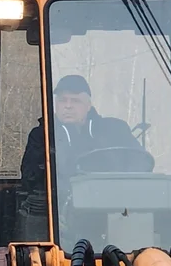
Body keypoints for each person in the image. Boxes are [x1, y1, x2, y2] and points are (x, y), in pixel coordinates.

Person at [19, 74, 150, 234]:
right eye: (62, 100)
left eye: (75, 101)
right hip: (60, 216)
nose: (68, 106)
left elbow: (140, 163)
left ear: (88, 105)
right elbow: (30, 177)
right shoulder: (42, 135)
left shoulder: (115, 130)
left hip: (115, 211)